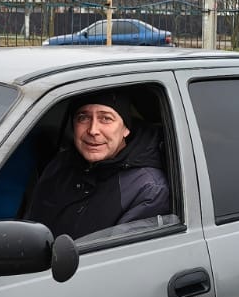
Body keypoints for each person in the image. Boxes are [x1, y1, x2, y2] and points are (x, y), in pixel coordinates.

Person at [23, 90, 172, 240]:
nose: (93, 130)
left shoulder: (149, 189)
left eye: (106, 118)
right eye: (83, 117)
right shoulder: (60, 165)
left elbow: (119, 259)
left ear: (126, 129)